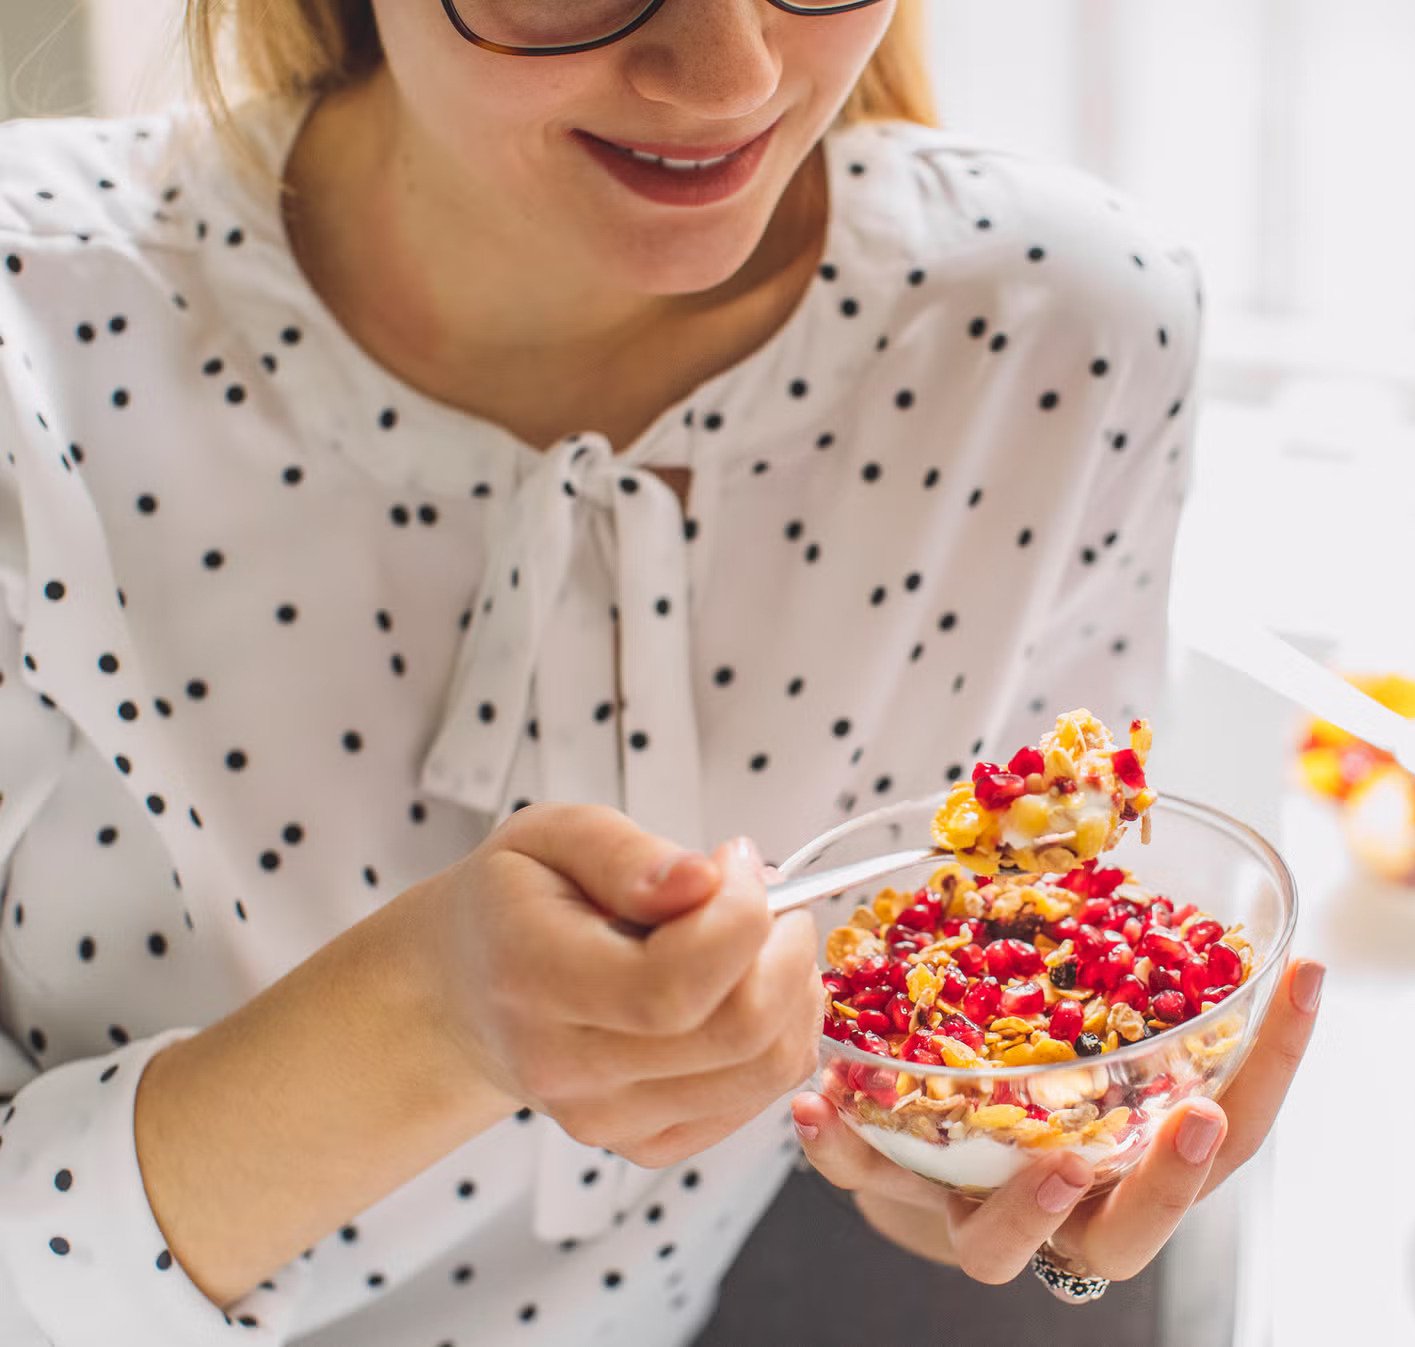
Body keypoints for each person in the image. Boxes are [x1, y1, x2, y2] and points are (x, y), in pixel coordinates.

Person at [0, 0, 1323, 1341]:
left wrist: (997, 1177)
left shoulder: (1057, 336)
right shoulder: (32, 340)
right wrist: (429, 1019)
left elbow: (960, 1043)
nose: (728, 80)